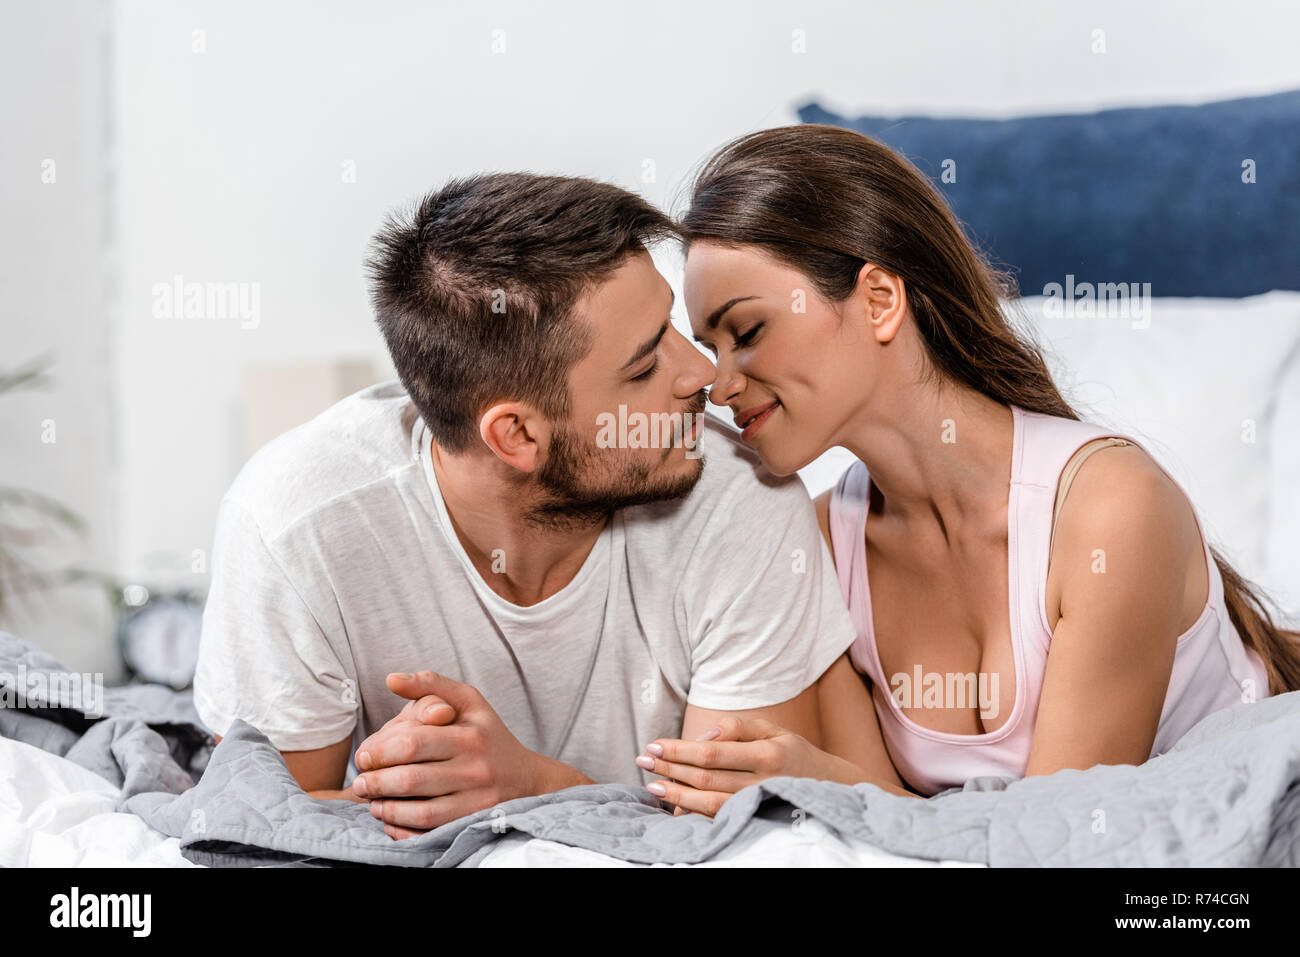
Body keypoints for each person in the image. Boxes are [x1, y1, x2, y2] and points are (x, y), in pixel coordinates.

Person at [636, 124, 1300, 811]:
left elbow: (1060, 836)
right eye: (709, 346)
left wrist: (825, 783)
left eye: (746, 333)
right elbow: (898, 820)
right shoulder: (822, 545)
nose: (719, 382)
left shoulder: (1107, 510)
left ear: (879, 300)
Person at [193, 172, 858, 838]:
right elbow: (271, 829)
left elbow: (746, 834)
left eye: (671, 329)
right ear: (517, 435)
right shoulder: (295, 527)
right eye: (646, 363)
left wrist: (532, 786)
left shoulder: (740, 499)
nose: (704, 376)